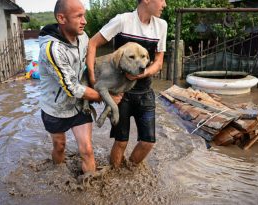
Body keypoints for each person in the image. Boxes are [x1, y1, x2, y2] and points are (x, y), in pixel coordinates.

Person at [38, 0, 121, 174]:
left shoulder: (83, 38)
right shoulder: (52, 49)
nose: (85, 21)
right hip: (55, 108)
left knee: (87, 150)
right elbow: (72, 88)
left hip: (78, 106)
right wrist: (106, 97)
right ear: (61, 18)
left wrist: (110, 81)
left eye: (84, 15)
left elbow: (88, 66)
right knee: (60, 147)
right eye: (79, 16)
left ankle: (90, 192)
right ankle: (57, 176)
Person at [86, 0, 167, 168]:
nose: (165, 4)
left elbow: (159, 62)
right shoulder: (123, 20)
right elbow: (92, 43)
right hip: (120, 92)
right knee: (121, 142)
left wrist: (142, 74)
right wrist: (93, 80)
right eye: (162, 0)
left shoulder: (161, 25)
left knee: (148, 142)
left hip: (145, 92)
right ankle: (115, 175)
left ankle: (129, 171)